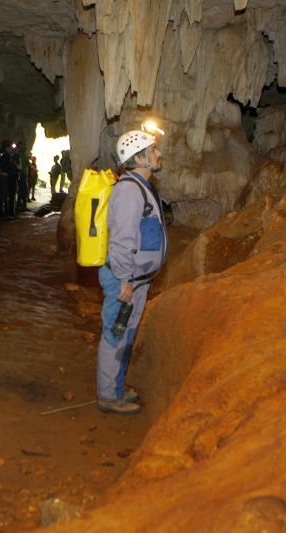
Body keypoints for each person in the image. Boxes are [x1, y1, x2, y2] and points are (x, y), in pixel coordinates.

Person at [96, 129, 168, 415]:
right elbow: (122, 240)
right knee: (116, 334)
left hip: (135, 280)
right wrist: (125, 279)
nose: (159, 153)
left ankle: (115, 388)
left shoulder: (140, 187)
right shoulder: (129, 190)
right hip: (124, 280)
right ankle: (108, 397)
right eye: (153, 150)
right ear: (140, 157)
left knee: (125, 334)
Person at [0, 141, 18, 217]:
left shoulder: (10, 157)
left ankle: (10, 213)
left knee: (11, 196)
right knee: (6, 196)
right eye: (11, 147)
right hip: (6, 179)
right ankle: (6, 213)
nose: (12, 149)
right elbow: (3, 168)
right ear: (7, 148)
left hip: (11, 179)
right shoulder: (4, 157)